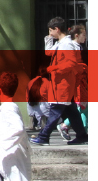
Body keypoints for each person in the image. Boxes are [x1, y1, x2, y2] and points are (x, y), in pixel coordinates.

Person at [30, 17, 88, 145]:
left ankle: (44, 136)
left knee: (55, 111)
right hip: (61, 83)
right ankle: (82, 136)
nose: (50, 33)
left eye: (51, 31)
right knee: (72, 112)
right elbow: (48, 53)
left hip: (63, 84)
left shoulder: (66, 44)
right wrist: (48, 38)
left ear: (57, 29)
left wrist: (53, 68)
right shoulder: (60, 43)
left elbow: (71, 63)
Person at [57, 25, 89, 139]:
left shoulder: (78, 47)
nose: (85, 37)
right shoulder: (72, 47)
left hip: (82, 80)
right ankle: (77, 129)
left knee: (83, 106)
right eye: (83, 35)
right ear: (77, 35)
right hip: (78, 81)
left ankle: (76, 129)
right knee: (82, 106)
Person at [26, 67, 50, 132]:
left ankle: (34, 122)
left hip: (31, 106)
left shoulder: (30, 82)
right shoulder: (47, 82)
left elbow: (27, 96)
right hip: (43, 108)